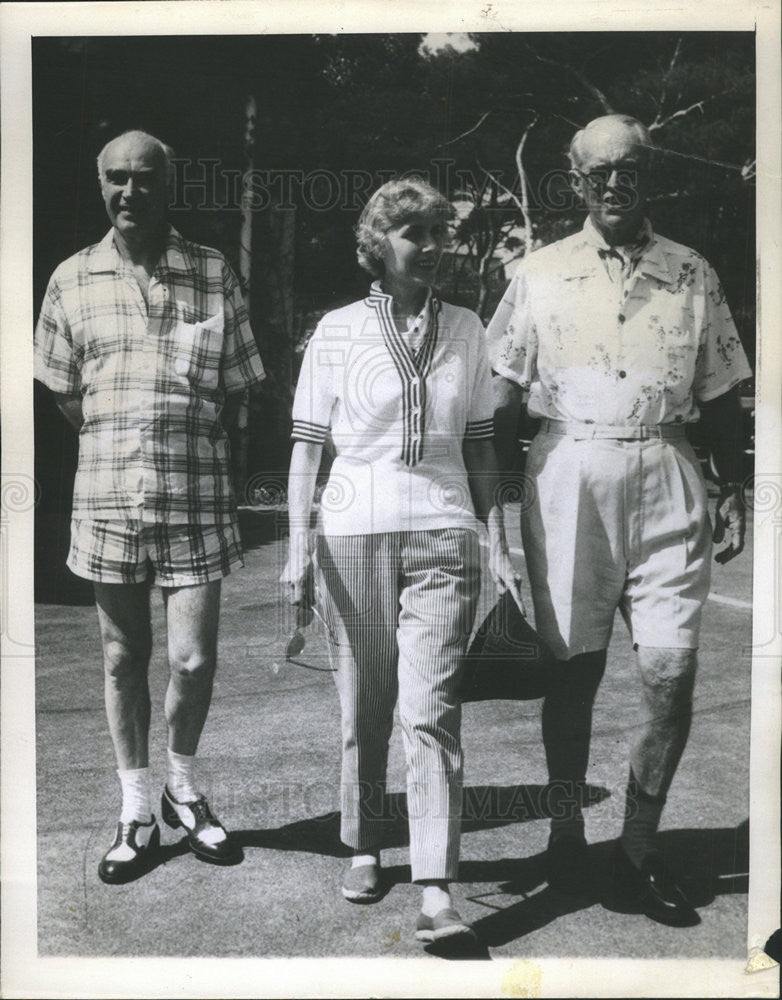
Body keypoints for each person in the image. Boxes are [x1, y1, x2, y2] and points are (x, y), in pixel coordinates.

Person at [487, 114, 752, 926]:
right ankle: (568, 833)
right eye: (597, 172)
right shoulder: (537, 272)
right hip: (568, 474)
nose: (613, 184)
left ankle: (639, 846)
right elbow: (499, 399)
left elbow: (720, 396)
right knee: (574, 672)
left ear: (649, 174)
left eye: (628, 169)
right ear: (573, 181)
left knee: (670, 678)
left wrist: (733, 485)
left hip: (668, 472)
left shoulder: (692, 270)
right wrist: (493, 509)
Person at [282, 178, 522, 945]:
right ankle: (361, 841)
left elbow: (482, 441)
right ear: (378, 245)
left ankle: (437, 884)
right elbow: (307, 449)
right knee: (366, 705)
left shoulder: (468, 326)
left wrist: (501, 540)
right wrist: (295, 548)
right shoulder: (339, 329)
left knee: (432, 711)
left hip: (445, 534)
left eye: (439, 231)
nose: (431, 246)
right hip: (352, 535)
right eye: (414, 232)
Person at [34, 130, 266, 883]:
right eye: (115, 179)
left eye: (144, 179)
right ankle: (136, 809)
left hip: (197, 493)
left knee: (193, 659)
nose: (129, 193)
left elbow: (239, 385)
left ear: (170, 185)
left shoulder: (212, 270)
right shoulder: (71, 278)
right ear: (100, 184)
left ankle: (183, 790)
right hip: (106, 495)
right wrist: (123, 438)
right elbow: (68, 394)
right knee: (121, 656)